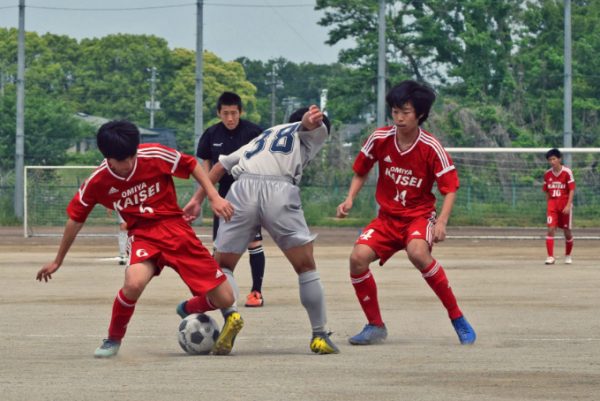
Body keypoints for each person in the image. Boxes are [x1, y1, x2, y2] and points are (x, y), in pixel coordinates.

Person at [36, 120, 243, 358]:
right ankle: (112, 339)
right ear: (107, 157)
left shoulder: (154, 155)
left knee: (225, 298)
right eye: (121, 160)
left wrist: (213, 196)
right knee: (133, 283)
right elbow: (75, 219)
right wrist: (58, 260)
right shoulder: (98, 181)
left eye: (131, 157)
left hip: (176, 229)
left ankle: (187, 308)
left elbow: (191, 165)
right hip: (143, 235)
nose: (129, 164)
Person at [181, 105, 340, 354]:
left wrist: (197, 199)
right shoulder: (306, 131)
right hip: (279, 190)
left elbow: (220, 166)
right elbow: (311, 127)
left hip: (242, 188)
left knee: (222, 266)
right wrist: (312, 121)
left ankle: (231, 315)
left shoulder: (263, 136)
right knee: (306, 268)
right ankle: (319, 334)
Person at [336, 80, 476, 346]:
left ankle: (457, 317)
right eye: (395, 111)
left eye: (406, 112)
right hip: (387, 219)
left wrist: (442, 222)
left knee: (418, 253)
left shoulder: (431, 147)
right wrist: (350, 198)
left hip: (418, 217)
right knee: (357, 258)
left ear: (420, 114)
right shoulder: (380, 138)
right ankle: (375, 325)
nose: (399, 118)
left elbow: (450, 188)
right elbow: (361, 170)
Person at [197, 91, 266, 307]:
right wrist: (211, 194)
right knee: (220, 246)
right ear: (218, 113)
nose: (230, 118)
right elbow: (206, 165)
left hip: (249, 193)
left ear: (240, 112)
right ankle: (219, 291)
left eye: (234, 113)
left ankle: (256, 292)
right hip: (223, 196)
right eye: (225, 113)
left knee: (254, 242)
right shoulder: (210, 134)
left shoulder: (254, 132)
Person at [542, 148, 575, 265]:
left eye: (554, 159)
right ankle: (550, 256)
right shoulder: (547, 174)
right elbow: (546, 191)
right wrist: (548, 206)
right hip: (552, 206)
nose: (552, 161)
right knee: (550, 229)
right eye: (550, 160)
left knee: (567, 231)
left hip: (564, 205)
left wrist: (568, 205)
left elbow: (571, 190)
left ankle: (568, 255)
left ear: (559, 159)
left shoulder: (567, 172)